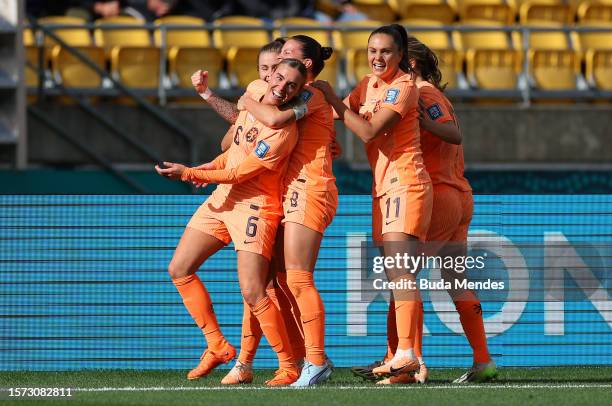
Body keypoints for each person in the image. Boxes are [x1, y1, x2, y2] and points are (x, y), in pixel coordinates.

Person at [155, 58, 308, 386]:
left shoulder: (284, 131)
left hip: (254, 208)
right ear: (269, 74)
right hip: (222, 199)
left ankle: (288, 366)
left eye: (291, 86)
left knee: (254, 290)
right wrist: (206, 167)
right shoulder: (254, 91)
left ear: (297, 92)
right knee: (179, 268)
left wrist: (191, 173)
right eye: (278, 78)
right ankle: (217, 345)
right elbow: (234, 152)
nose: (281, 87)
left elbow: (242, 172)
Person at [312, 24, 433, 377]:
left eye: (386, 52)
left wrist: (333, 98)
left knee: (401, 273)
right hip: (383, 188)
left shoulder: (404, 87)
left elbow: (366, 129)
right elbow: (336, 114)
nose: (378, 57)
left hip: (406, 182)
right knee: (398, 275)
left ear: (401, 57)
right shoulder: (368, 85)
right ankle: (404, 361)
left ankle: (408, 353)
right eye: (373, 51)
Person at [375, 36, 496, 385]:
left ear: (409, 65)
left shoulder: (423, 94)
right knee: (456, 281)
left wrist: (422, 124)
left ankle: (409, 364)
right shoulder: (431, 94)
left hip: (438, 196)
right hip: (458, 195)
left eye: (395, 61)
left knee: (403, 277)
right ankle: (483, 360)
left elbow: (453, 134)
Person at [238, 34, 339, 387]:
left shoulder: (311, 94)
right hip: (291, 190)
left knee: (296, 278)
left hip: (309, 188)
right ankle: (305, 359)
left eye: (287, 55)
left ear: (305, 66)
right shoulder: (298, 95)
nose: (280, 61)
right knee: (278, 281)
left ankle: (314, 361)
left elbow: (273, 118)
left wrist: (245, 101)